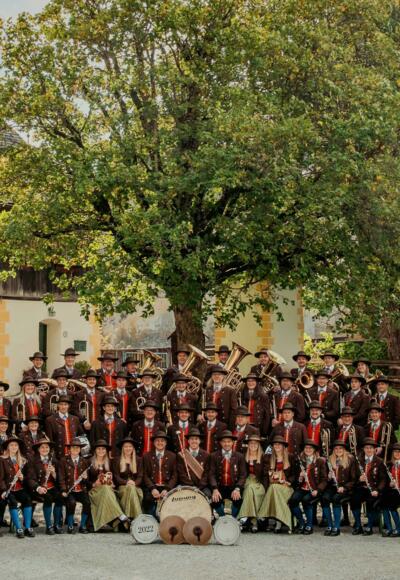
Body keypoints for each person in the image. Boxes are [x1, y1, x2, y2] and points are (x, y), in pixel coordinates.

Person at [88, 439, 129, 532]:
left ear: (106, 451)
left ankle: (113, 519)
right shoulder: (89, 462)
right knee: (105, 489)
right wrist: (93, 484)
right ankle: (120, 515)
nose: (101, 451)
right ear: (95, 450)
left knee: (106, 488)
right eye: (98, 449)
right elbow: (86, 481)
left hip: (108, 490)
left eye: (103, 449)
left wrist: (113, 483)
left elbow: (115, 477)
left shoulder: (110, 462)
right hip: (94, 491)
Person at [288, 439, 328, 534]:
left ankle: (309, 525)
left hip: (315, 489)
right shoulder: (300, 461)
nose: (308, 449)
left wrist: (318, 490)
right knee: (292, 501)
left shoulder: (320, 461)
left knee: (306, 500)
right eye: (306, 448)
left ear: (314, 450)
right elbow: (296, 479)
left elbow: (324, 479)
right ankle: (302, 522)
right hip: (303, 488)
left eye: (310, 448)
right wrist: (300, 477)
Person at [350, 437, 387, 536]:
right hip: (361, 487)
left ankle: (369, 527)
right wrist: (359, 479)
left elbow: (383, 479)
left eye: (371, 448)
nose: (369, 450)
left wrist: (378, 490)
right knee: (354, 500)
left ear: (374, 449)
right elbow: (353, 476)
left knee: (371, 501)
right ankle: (358, 525)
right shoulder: (358, 460)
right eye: (366, 448)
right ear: (363, 449)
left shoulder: (379, 461)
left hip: (374, 489)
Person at [258, 435, 295, 532]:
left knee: (274, 489)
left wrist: (288, 482)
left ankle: (263, 514)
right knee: (274, 488)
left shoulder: (290, 457)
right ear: (273, 446)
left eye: (279, 444)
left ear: (283, 446)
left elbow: (294, 474)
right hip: (273, 487)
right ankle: (279, 522)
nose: (277, 446)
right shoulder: (268, 458)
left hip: (286, 487)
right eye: (275, 444)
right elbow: (265, 475)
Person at [27, 437, 64, 535]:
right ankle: (49, 526)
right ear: (38, 449)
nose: (45, 449)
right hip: (38, 488)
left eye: (47, 447)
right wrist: (38, 488)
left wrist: (54, 473)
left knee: (60, 497)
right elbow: (30, 479)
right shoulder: (33, 461)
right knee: (48, 498)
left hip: (51, 487)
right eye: (42, 447)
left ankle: (57, 524)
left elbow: (59, 479)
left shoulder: (54, 460)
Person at [320, 439, 357, 536]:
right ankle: (330, 525)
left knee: (336, 498)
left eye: (340, 448)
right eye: (336, 448)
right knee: (324, 498)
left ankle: (336, 527)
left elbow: (353, 479)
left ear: (344, 449)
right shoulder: (329, 460)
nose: (338, 450)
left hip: (346, 487)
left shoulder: (350, 459)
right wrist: (329, 477)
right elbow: (325, 478)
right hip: (333, 486)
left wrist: (344, 488)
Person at [0, 437, 34, 538]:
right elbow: (0, 478)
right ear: (8, 447)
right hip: (7, 489)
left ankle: (27, 527)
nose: (14, 447)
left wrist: (22, 478)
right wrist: (3, 490)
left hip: (19, 488)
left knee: (28, 499)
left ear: (18, 447)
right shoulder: (2, 460)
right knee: (13, 502)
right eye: (11, 445)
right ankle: (19, 528)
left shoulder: (23, 460)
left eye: (16, 445)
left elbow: (28, 477)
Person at [209, 430, 247, 518]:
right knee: (215, 500)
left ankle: (232, 518)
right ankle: (222, 517)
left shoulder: (239, 456)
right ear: (220, 443)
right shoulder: (214, 456)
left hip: (234, 486)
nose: (226, 444)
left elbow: (243, 475)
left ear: (233, 442)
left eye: (229, 441)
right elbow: (211, 474)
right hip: (219, 486)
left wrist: (237, 488)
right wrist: (215, 489)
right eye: (224, 441)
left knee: (238, 500)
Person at [59, 437, 91, 534]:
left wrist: (85, 478)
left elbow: (87, 481)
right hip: (69, 490)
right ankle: (70, 525)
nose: (75, 449)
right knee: (71, 503)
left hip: (81, 489)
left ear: (80, 449)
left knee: (87, 503)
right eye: (73, 447)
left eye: (77, 448)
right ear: (70, 449)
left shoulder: (84, 461)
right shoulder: (63, 461)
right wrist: (63, 490)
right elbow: (61, 477)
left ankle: (82, 525)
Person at [142, 430, 177, 516]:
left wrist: (167, 489)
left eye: (162, 441)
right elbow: (145, 475)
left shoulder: (172, 456)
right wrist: (152, 488)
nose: (160, 443)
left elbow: (175, 475)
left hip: (167, 487)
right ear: (154, 442)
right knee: (148, 500)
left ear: (166, 443)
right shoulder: (147, 456)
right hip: (152, 487)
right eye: (157, 440)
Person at [237, 434, 266, 533]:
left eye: (255, 443)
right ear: (248, 445)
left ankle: (243, 517)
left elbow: (265, 475)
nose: (253, 445)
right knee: (249, 488)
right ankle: (254, 522)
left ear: (259, 445)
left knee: (251, 490)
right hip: (247, 480)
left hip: (259, 482)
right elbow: (242, 473)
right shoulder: (243, 456)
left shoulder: (263, 457)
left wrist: (265, 488)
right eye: (251, 443)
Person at [113, 437, 143, 522]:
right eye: (125, 446)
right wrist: (126, 482)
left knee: (131, 489)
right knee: (130, 489)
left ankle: (127, 520)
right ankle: (138, 518)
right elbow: (116, 476)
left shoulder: (138, 459)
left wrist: (134, 483)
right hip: (122, 487)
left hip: (136, 487)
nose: (128, 448)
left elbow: (140, 476)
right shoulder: (117, 460)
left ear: (133, 448)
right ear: (122, 448)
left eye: (130, 446)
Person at [45, 395, 83, 459]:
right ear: (58, 405)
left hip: (74, 454)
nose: (63, 407)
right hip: (59, 454)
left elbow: (80, 435)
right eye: (61, 404)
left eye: (65, 404)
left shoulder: (75, 419)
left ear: (68, 406)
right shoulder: (50, 420)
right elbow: (50, 440)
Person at [176, 427, 210, 492]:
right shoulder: (182, 454)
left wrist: (199, 487)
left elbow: (206, 474)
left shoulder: (206, 455)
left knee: (208, 494)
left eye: (196, 439)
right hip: (187, 486)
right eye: (192, 439)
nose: (194, 441)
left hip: (202, 487)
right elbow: (181, 474)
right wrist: (191, 486)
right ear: (188, 441)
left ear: (199, 441)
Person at [75, 369, 104, 434]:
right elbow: (74, 410)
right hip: (84, 427)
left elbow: (103, 410)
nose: (92, 381)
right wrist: (84, 421)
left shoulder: (101, 395)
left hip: (98, 426)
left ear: (96, 381)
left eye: (93, 379)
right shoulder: (79, 394)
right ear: (86, 380)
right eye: (89, 379)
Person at [381, 442, 400, 537]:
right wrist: (390, 484)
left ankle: (398, 529)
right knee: (384, 504)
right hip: (391, 490)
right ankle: (389, 528)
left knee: (392, 505)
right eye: (395, 451)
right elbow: (385, 479)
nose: (397, 453)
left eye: (399, 452)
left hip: (398, 491)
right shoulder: (388, 465)